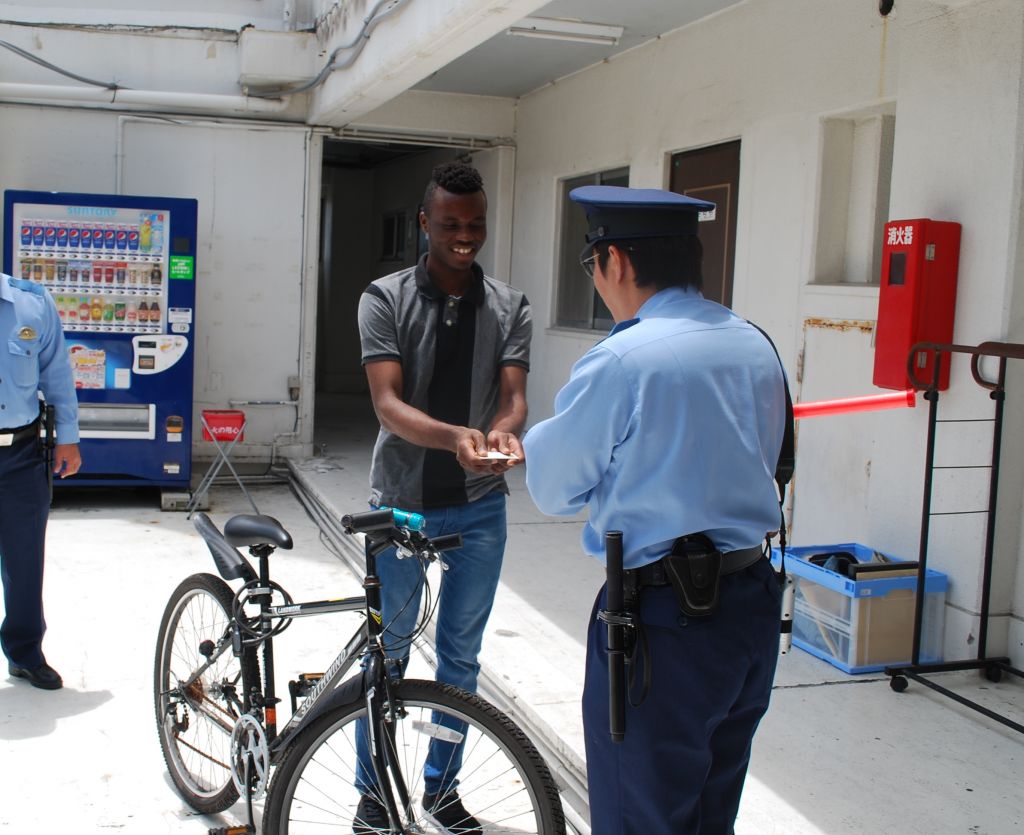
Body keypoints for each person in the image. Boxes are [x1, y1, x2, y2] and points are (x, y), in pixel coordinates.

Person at [523, 186, 788, 835]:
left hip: (664, 621)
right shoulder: (755, 343)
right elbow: (778, 458)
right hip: (750, 603)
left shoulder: (622, 360)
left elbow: (553, 486)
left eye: (592, 265)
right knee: (711, 809)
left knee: (641, 815)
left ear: (613, 260)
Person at [353, 161, 531, 833]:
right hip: (400, 503)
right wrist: (457, 436)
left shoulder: (510, 306)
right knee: (389, 653)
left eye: (476, 223)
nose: (465, 235)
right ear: (424, 222)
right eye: (451, 223)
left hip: (480, 504)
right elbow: (387, 404)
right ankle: (373, 797)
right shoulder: (384, 298)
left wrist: (503, 434)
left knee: (460, 659)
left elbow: (513, 398)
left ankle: (441, 791)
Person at [1, 270, 81, 691]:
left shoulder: (31, 302)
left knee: (24, 560)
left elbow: (57, 374)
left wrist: (68, 437)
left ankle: (25, 652)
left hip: (21, 453)